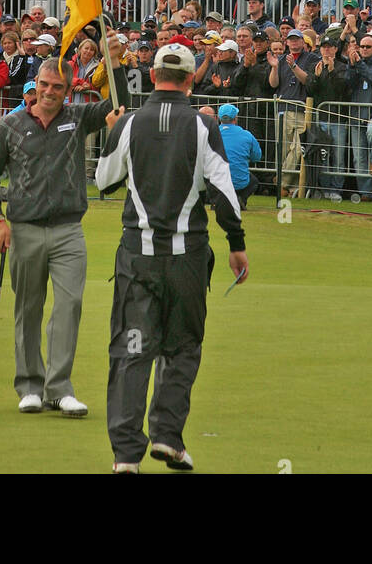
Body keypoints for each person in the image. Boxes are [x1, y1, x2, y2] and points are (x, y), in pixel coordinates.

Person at [96, 42, 248, 474]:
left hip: (137, 259)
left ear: (153, 75)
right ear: (189, 80)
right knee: (181, 349)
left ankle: (126, 455)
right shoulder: (204, 125)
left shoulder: (128, 123)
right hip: (186, 260)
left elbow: (104, 180)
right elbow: (224, 192)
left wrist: (113, 130)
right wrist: (236, 244)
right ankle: (166, 436)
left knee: (131, 350)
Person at [0, 37, 128, 417]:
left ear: (67, 89)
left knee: (70, 304)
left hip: (68, 230)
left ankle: (58, 388)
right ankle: (29, 385)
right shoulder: (10, 125)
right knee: (28, 308)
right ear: (36, 83)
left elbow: (117, 106)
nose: (48, 92)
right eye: (44, 85)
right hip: (23, 227)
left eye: (57, 87)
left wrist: (115, 63)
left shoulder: (77, 119)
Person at [216, 102, 262, 209]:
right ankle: (239, 198)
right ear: (235, 118)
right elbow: (257, 157)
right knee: (253, 181)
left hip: (216, 181)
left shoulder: (211, 133)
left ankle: (217, 200)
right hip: (240, 182)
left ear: (219, 118)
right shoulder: (247, 135)